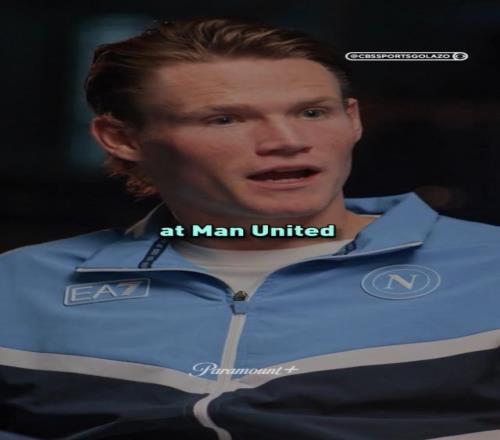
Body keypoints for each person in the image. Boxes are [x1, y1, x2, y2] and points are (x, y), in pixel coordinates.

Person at [1, 18, 500, 440]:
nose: (287, 140)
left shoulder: (487, 269)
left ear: (352, 120)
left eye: (312, 112)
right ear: (122, 138)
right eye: (224, 119)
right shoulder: (20, 286)